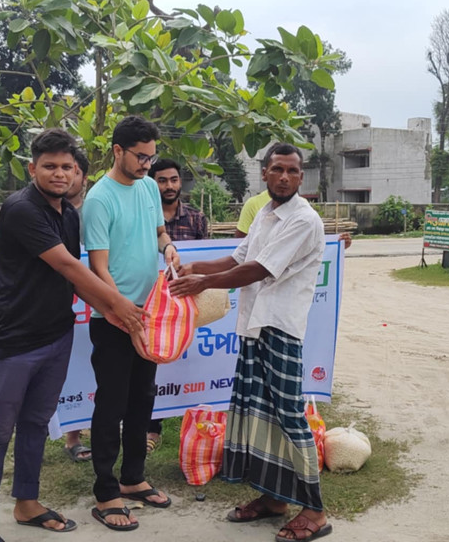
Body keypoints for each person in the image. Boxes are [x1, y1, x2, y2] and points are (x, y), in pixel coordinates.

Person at [0, 129, 145, 542]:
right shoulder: (20, 209)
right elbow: (70, 267)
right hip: (14, 343)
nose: (59, 173)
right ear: (32, 168)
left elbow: (75, 281)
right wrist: (120, 306)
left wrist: (112, 312)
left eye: (68, 167)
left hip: (55, 336)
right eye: (49, 166)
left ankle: (27, 502)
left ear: (79, 174)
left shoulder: (68, 213)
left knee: (34, 424)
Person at [170, 143, 331, 542]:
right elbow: (237, 258)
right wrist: (195, 267)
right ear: (265, 173)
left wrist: (202, 282)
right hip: (253, 327)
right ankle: (274, 498)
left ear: (301, 176)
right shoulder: (265, 213)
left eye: (293, 171)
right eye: (278, 169)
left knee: (289, 415)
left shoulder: (303, 220)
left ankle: (315, 510)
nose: (285, 177)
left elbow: (258, 269)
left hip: (280, 328)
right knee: (257, 413)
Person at [82, 115, 178, 531]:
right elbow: (97, 266)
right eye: (140, 157)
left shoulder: (147, 188)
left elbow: (158, 231)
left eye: (151, 157)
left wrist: (170, 247)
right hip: (114, 318)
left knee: (143, 398)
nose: (146, 165)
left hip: (149, 312)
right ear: (117, 151)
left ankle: (133, 478)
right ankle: (106, 493)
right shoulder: (99, 199)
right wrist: (121, 308)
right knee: (111, 403)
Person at [144, 158, 208, 453]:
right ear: (151, 182)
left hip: (186, 304)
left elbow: (207, 259)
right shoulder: (145, 219)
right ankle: (151, 427)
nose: (168, 186)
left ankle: (194, 420)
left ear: (180, 182)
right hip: (153, 305)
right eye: (161, 180)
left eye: (173, 180)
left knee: (190, 363)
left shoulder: (196, 218)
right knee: (153, 363)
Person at [63, 149, 92, 463]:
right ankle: (72, 434)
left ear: (83, 177)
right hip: (61, 304)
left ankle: (90, 428)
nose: (66, 177)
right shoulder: (38, 211)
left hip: (93, 302)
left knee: (91, 365)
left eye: (72, 170)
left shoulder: (93, 210)